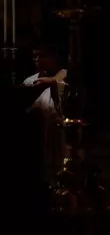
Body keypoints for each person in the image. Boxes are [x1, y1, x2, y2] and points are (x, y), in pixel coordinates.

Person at [22, 43, 68, 184]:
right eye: (34, 56)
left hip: (60, 137)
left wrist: (53, 81)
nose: (37, 60)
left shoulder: (64, 77)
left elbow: (65, 75)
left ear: (54, 56)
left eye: (42, 56)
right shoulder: (30, 82)